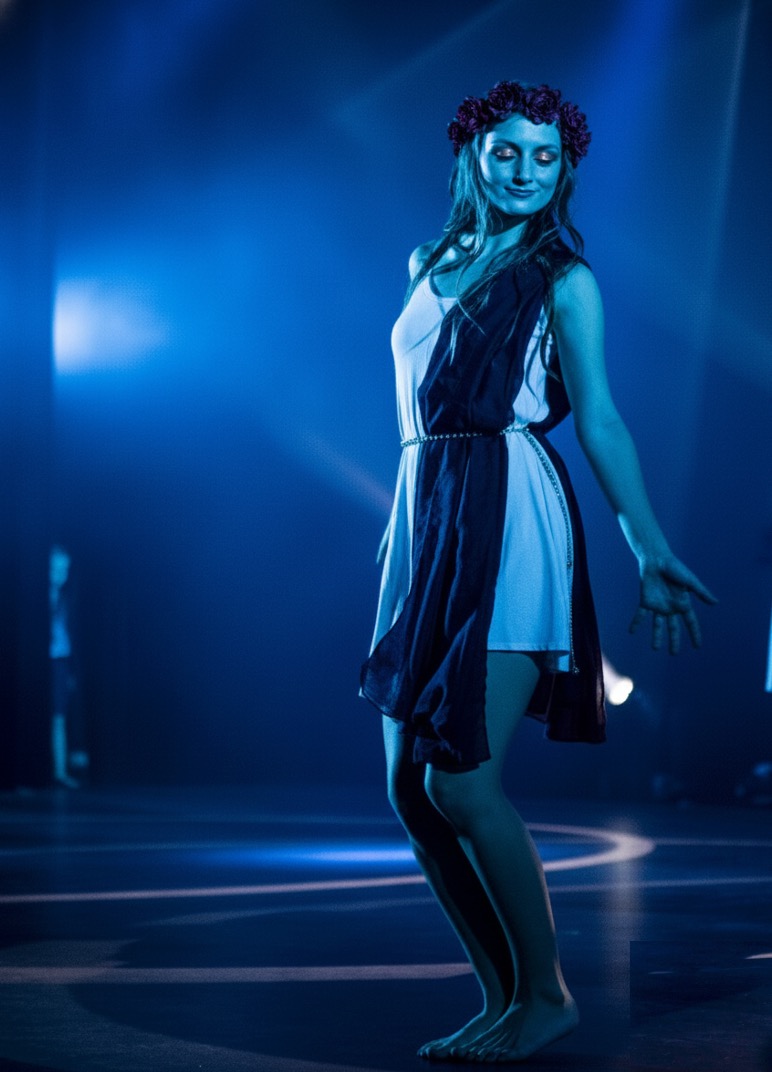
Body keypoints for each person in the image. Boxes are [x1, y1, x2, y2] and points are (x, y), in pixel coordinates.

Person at [359, 80, 716, 1063]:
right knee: (407, 791)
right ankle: (498, 997)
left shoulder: (565, 277)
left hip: (506, 511)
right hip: (423, 512)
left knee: (463, 783)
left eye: (545, 157)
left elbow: (597, 415)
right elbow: (411, 411)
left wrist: (645, 544)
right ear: (473, 152)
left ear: (566, 169)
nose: (524, 170)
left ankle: (546, 993)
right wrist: (399, 533)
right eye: (507, 151)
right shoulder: (427, 260)